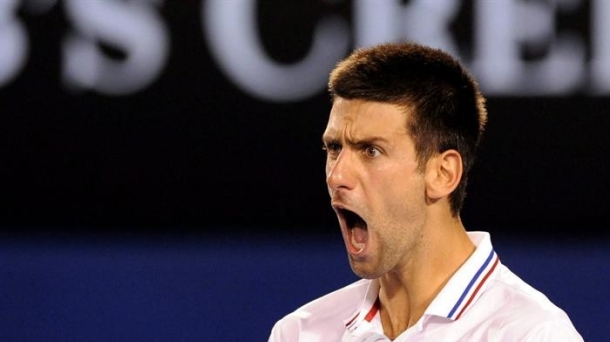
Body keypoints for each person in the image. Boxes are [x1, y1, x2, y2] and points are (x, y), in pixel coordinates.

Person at [267, 41, 584, 342]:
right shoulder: (300, 333)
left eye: (371, 151)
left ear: (442, 174)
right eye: (334, 148)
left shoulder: (531, 334)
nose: (337, 176)